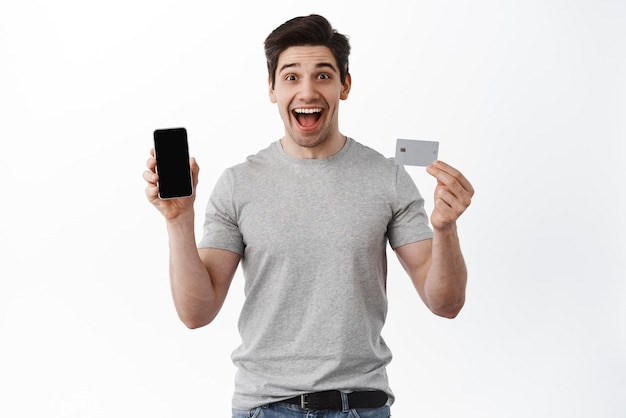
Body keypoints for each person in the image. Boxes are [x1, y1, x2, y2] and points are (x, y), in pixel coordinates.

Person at [144, 14, 474, 418]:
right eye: (291, 77)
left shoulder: (387, 178)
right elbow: (197, 313)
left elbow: (446, 303)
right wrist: (179, 220)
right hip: (265, 408)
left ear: (344, 86)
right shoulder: (238, 184)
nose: (307, 91)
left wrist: (445, 229)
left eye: (322, 76)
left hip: (362, 406)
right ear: (271, 89)